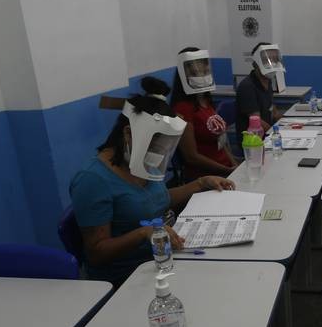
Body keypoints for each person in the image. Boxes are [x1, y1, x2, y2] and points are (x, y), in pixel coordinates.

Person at [69, 77, 234, 287]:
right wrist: (143, 234)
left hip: (162, 262)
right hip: (128, 278)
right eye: (157, 145)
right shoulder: (92, 180)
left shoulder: (140, 160)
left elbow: (157, 199)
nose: (160, 152)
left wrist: (201, 183)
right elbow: (97, 253)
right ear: (129, 134)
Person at [170, 46, 238, 180]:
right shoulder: (182, 108)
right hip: (206, 177)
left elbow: (221, 142)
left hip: (225, 169)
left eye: (204, 68)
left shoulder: (206, 100)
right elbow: (191, 157)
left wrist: (234, 165)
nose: (201, 72)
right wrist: (226, 171)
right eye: (195, 70)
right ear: (184, 74)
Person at [234, 41, 286, 134]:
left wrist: (288, 124)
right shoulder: (247, 87)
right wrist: (277, 134)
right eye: (267, 60)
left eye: (274, 59)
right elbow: (257, 122)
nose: (272, 63)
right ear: (256, 63)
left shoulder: (267, 81)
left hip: (267, 135)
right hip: (253, 141)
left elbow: (272, 110)